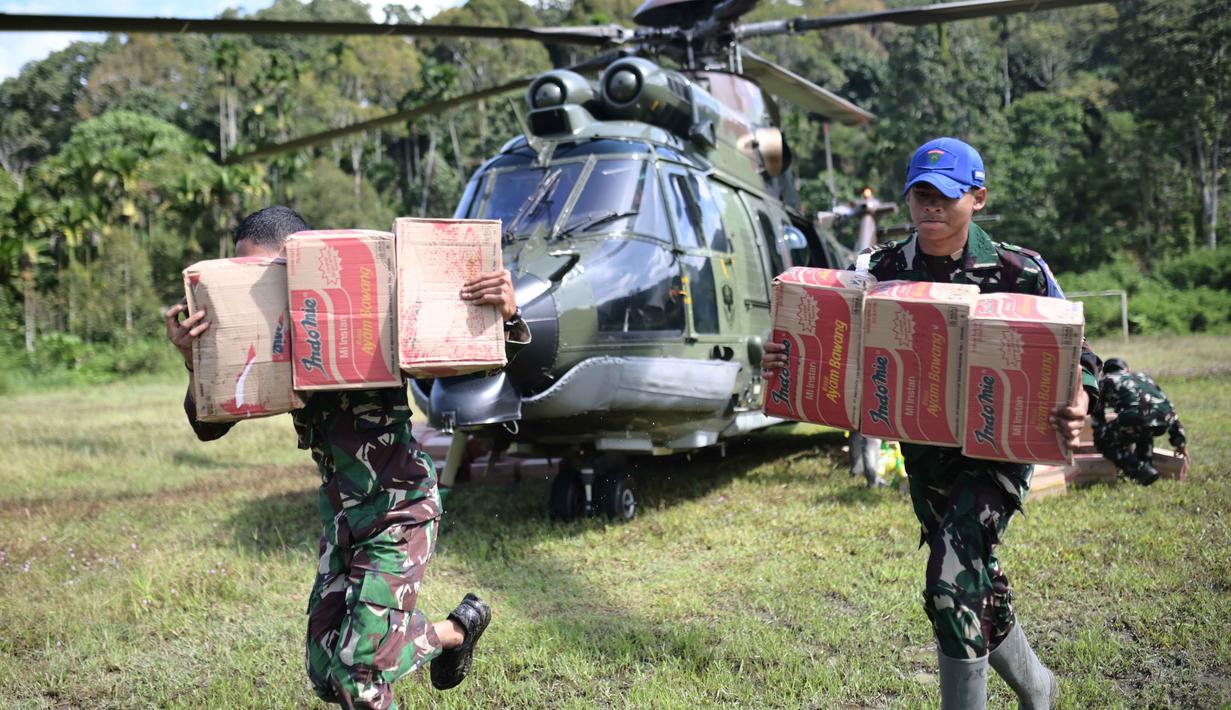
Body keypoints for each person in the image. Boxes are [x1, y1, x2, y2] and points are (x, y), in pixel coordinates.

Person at [763, 138, 1101, 709]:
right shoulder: (879, 269)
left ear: (978, 198)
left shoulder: (1020, 270)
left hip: (997, 456)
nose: (931, 207)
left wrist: (1080, 402)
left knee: (948, 583)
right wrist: (784, 357)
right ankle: (1039, 687)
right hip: (925, 459)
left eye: (945, 195)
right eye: (921, 193)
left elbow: (1081, 355)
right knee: (969, 586)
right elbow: (833, 339)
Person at [164, 206, 530, 709]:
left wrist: (504, 317)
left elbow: (467, 365)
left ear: (300, 263)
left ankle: (433, 637)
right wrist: (196, 361)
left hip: (399, 508)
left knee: (357, 672)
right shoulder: (269, 345)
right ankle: (455, 632)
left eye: (263, 277)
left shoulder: (367, 306)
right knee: (325, 669)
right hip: (342, 517)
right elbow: (209, 428)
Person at [1092, 357, 1188, 486]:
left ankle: (1139, 469)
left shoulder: (1105, 380)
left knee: (1102, 437)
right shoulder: (1143, 377)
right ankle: (1147, 468)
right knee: (1143, 430)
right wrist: (1180, 443)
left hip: (1136, 420)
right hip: (1162, 422)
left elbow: (1097, 415)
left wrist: (1104, 434)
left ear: (1105, 372)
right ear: (1127, 369)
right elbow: (1166, 408)